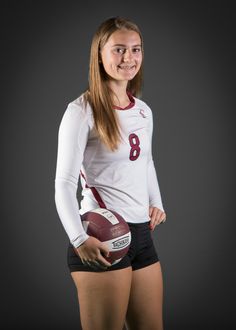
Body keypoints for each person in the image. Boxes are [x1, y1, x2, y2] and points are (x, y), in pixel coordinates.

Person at [54, 16, 167, 330]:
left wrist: (156, 202)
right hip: (102, 235)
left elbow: (146, 161)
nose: (128, 58)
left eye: (135, 49)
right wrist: (78, 239)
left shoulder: (144, 110)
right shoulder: (81, 111)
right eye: (118, 50)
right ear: (99, 55)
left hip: (142, 235)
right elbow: (63, 182)